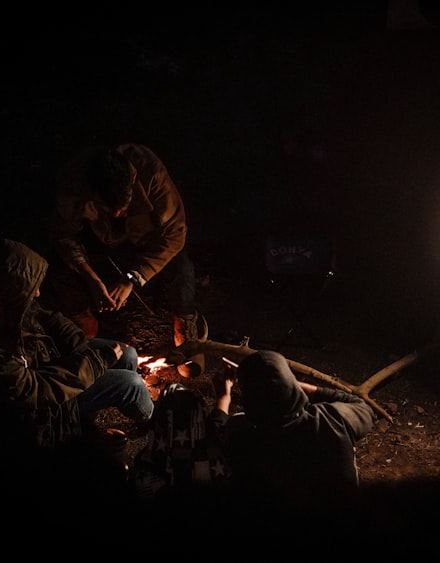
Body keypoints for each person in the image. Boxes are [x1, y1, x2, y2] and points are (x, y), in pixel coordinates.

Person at [0, 238, 155, 471]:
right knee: (131, 384)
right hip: (32, 418)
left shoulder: (4, 305)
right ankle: (155, 419)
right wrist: (94, 363)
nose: (38, 293)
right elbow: (33, 391)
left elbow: (48, 317)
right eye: (32, 289)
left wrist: (79, 345)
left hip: (45, 363)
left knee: (128, 354)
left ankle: (85, 420)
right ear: (7, 291)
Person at [41, 143, 206, 378]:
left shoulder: (151, 174)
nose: (118, 213)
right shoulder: (74, 184)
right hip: (96, 239)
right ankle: (84, 328)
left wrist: (132, 278)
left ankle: (185, 330)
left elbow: (175, 234)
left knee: (180, 266)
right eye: (109, 208)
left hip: (142, 238)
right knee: (58, 267)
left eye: (124, 206)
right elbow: (64, 236)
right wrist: (90, 277)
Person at [208, 350, 377, 525]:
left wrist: (223, 397)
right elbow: (361, 406)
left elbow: (215, 433)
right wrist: (289, 384)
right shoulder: (334, 418)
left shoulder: (244, 438)